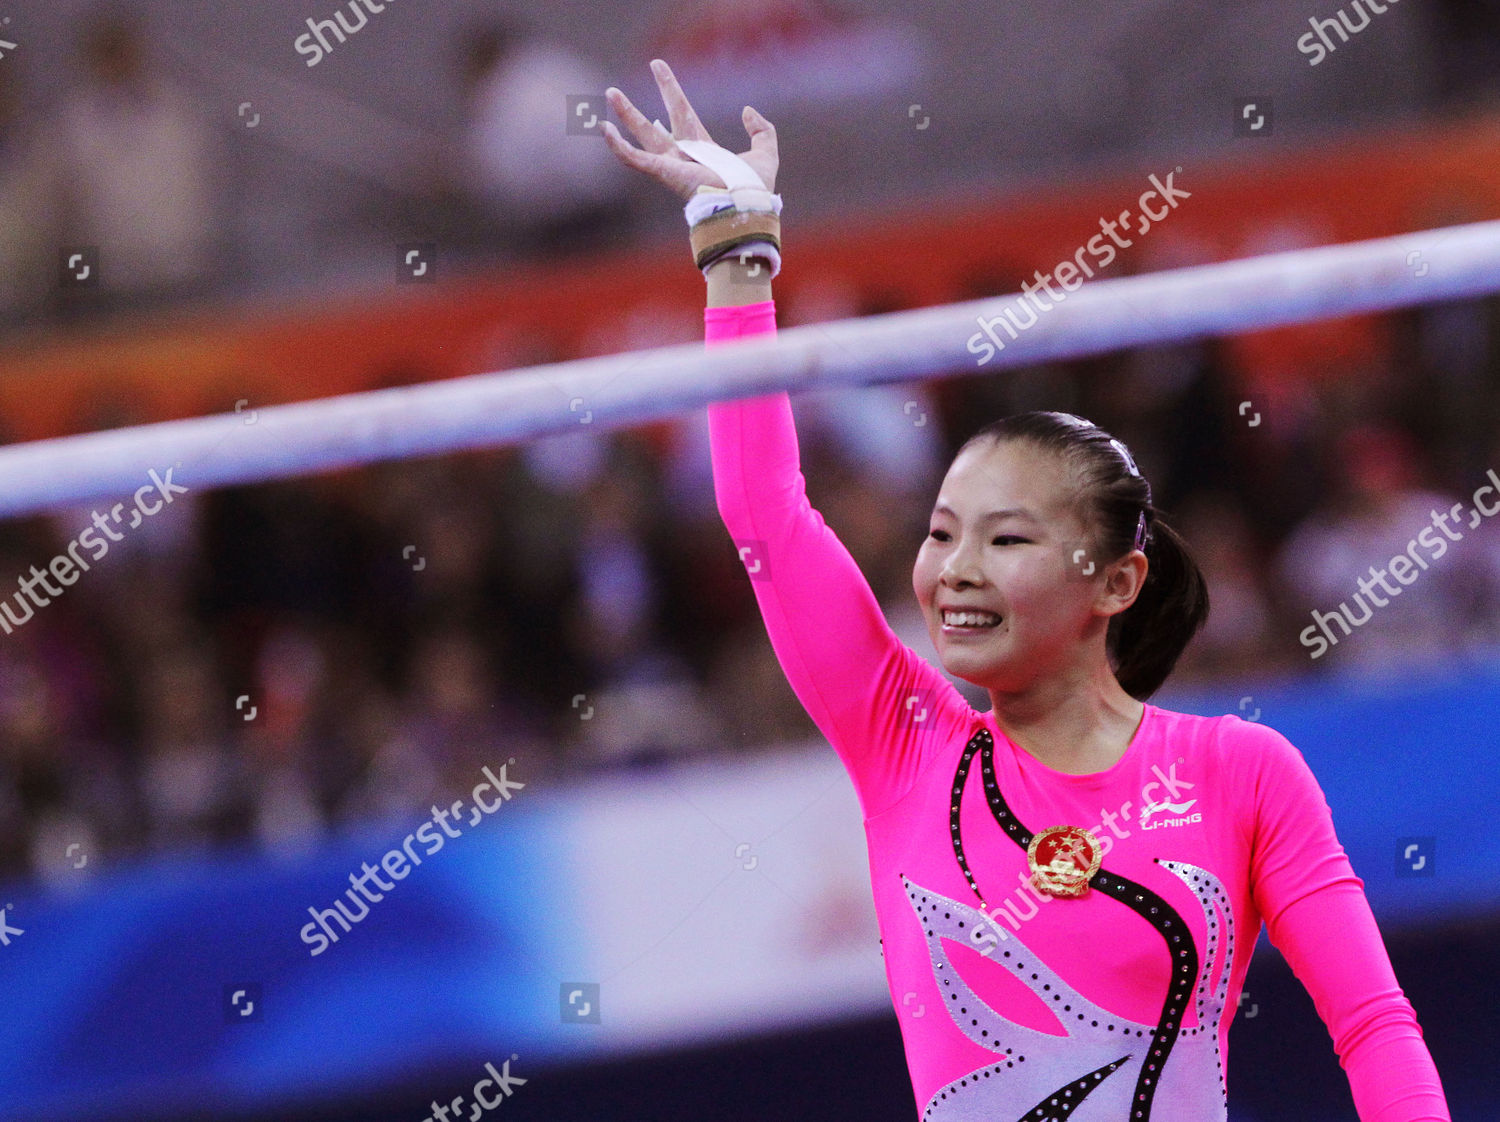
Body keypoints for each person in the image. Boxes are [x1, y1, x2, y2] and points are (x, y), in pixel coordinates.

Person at [601, 59, 1452, 1120]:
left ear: (1115, 581)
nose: (954, 569)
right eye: (942, 533)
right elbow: (767, 515)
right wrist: (736, 247)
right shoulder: (907, 741)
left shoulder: (1241, 772)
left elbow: (1374, 1026)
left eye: (1004, 540)